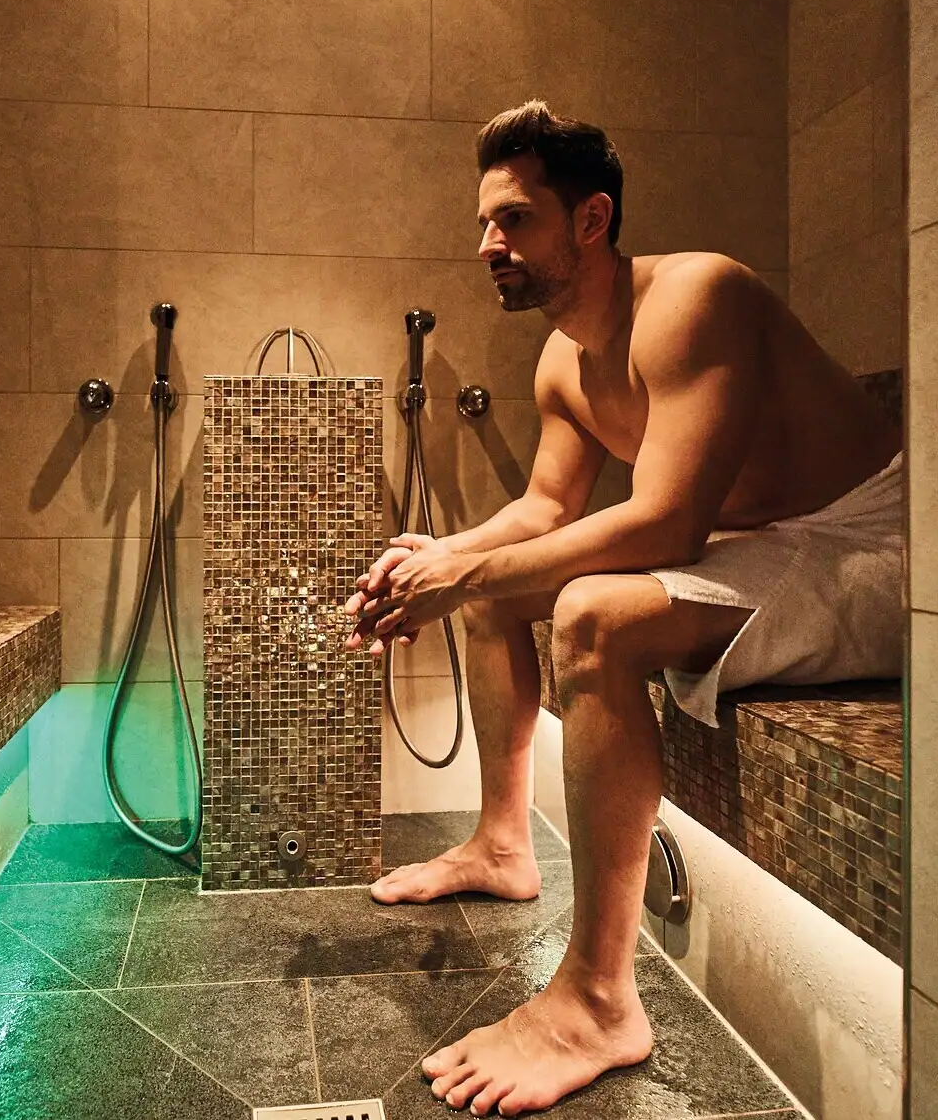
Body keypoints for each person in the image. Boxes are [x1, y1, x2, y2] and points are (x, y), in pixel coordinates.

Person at [342, 100, 904, 1117]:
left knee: (592, 614)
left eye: (514, 219)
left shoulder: (696, 298)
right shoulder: (563, 357)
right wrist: (448, 555)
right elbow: (544, 506)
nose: (487, 244)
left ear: (591, 219)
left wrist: (470, 574)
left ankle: (599, 998)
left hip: (876, 544)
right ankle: (502, 843)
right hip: (773, 543)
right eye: (484, 222)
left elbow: (671, 523)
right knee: (500, 583)